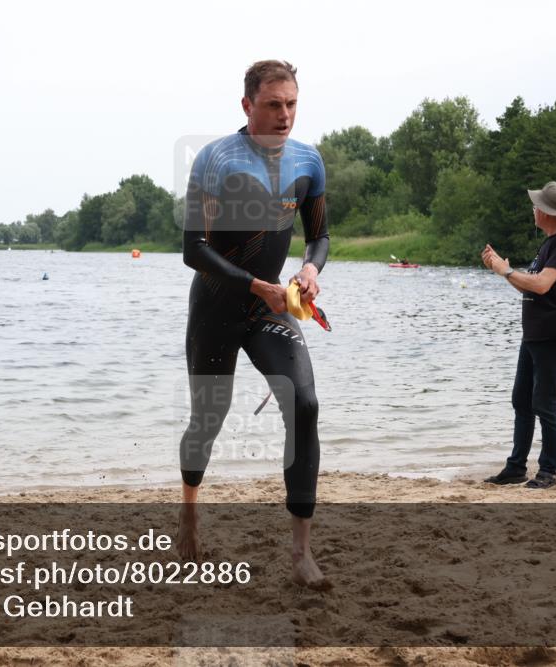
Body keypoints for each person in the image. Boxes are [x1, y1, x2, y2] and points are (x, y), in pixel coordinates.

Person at [177, 60, 331, 590]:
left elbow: (319, 236)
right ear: (248, 105)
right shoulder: (215, 158)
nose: (284, 114)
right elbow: (192, 249)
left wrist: (311, 268)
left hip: (271, 310)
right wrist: (253, 285)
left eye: (291, 103)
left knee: (304, 405)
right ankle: (190, 510)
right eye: (272, 104)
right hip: (218, 306)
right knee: (208, 420)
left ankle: (301, 552)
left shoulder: (309, 160)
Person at [481, 181, 556, 489]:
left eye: (537, 205)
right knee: (522, 400)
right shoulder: (551, 241)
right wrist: (501, 269)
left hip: (554, 332)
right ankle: (516, 467)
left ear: (547, 212)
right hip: (536, 332)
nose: (533, 209)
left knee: (544, 401)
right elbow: (531, 283)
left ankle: (548, 472)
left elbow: (542, 284)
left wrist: (506, 271)